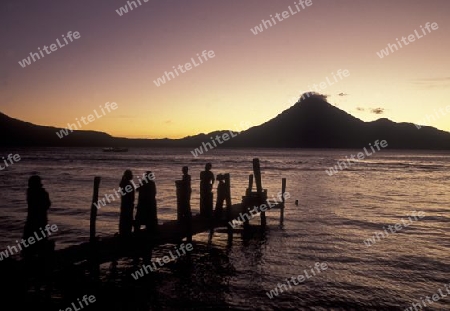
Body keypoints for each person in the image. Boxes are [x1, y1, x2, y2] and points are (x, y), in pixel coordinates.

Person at [23, 175, 52, 257]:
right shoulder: (41, 193)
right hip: (40, 220)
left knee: (29, 243)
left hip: (32, 221)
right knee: (40, 242)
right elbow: (47, 205)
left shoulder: (30, 192)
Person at [119, 169, 135, 236]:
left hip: (125, 204)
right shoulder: (127, 184)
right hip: (128, 204)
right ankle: (126, 233)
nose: (132, 175)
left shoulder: (124, 183)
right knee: (127, 219)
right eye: (131, 174)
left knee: (124, 219)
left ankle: (123, 232)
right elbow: (129, 196)